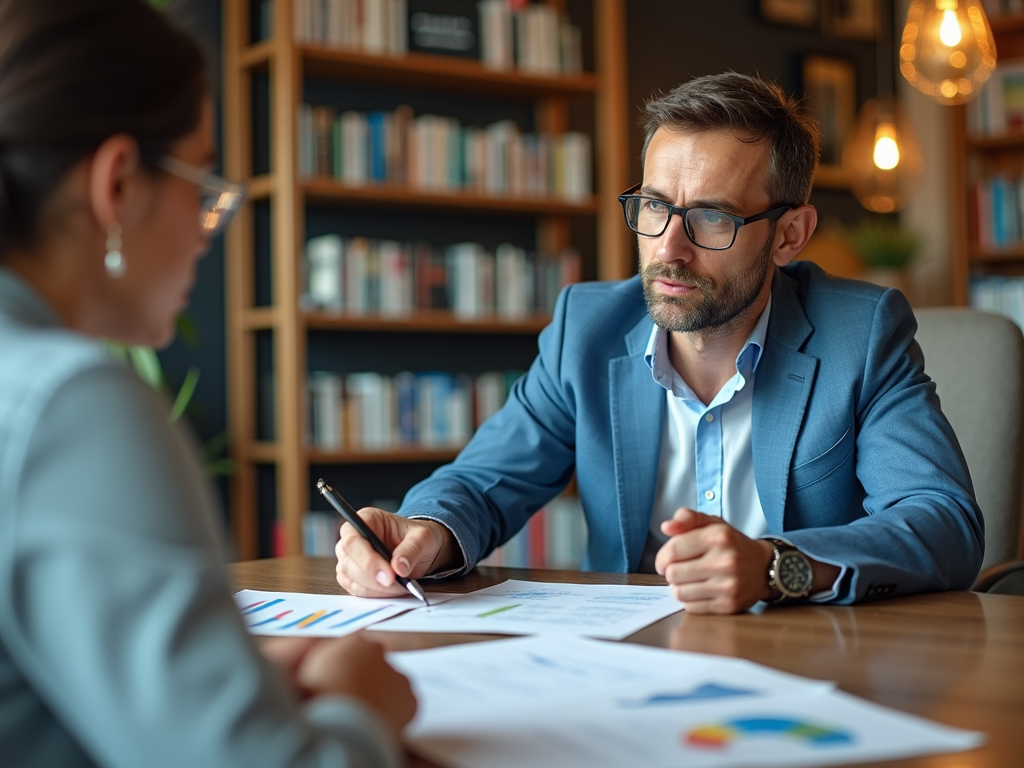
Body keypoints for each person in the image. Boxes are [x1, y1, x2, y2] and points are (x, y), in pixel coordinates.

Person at [335, 72, 984, 615]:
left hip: (808, 655)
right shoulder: (585, 329)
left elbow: (943, 520)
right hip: (623, 663)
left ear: (789, 235)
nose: (668, 249)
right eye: (653, 207)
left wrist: (778, 566)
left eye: (711, 216)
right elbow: (481, 484)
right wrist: (425, 535)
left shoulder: (861, 333)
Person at [0, 1, 414, 766]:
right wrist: (363, 707)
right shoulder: (72, 403)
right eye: (200, 184)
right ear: (117, 184)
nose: (206, 228)